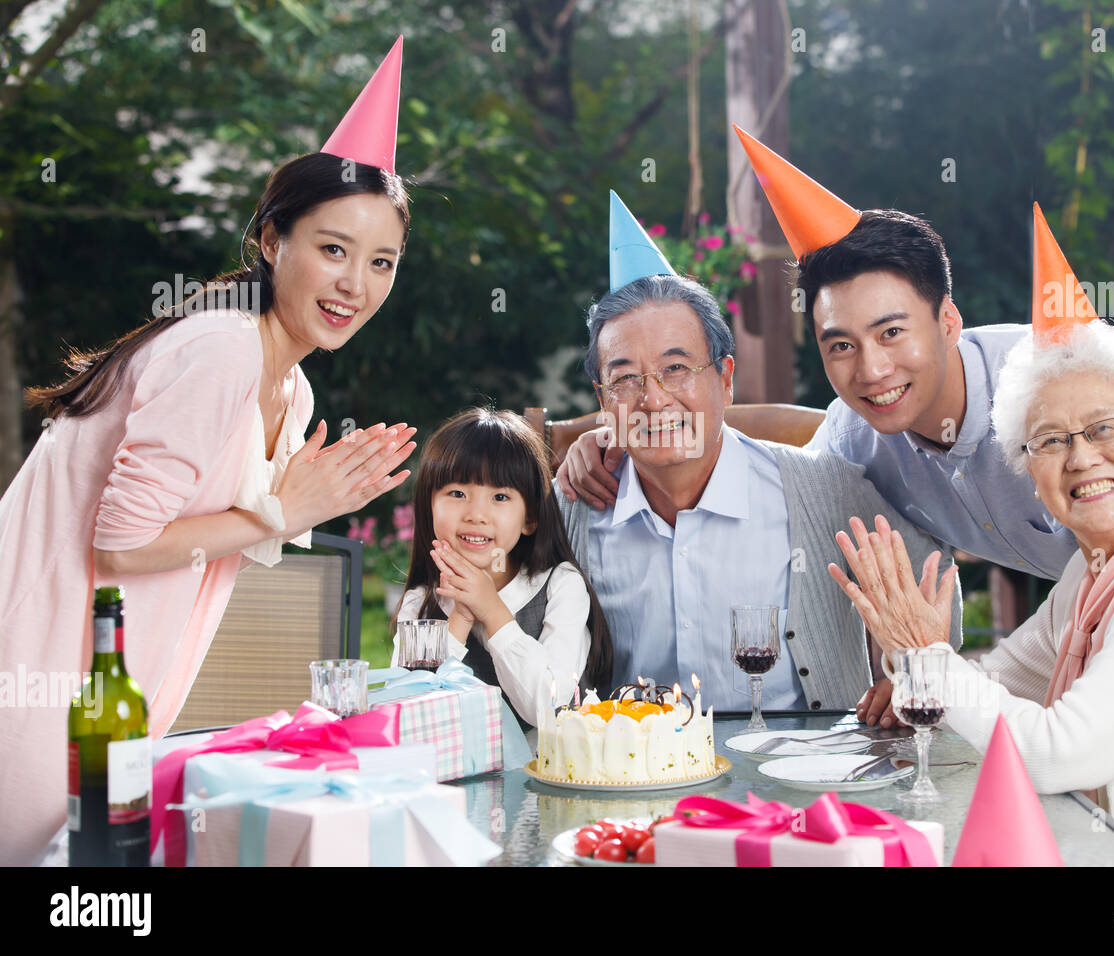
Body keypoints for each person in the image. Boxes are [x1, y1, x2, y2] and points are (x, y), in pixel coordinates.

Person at [559, 135, 1114, 721]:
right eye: (839, 344)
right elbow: (764, 455)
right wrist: (610, 433)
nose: (870, 369)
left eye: (891, 333)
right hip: (1090, 575)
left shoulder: (1049, 383)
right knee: (1062, 745)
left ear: (948, 320)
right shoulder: (854, 435)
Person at [0, 40, 417, 865]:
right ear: (271, 241)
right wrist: (282, 510)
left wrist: (287, 510)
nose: (355, 286)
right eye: (333, 249)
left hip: (122, 679)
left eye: (382, 263)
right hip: (39, 668)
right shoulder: (221, 351)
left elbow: (224, 536)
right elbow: (120, 546)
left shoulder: (290, 391)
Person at [831, 319, 1114, 867]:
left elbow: (1058, 753)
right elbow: (1002, 682)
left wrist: (927, 657)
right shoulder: (1093, 569)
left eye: (1105, 428)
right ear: (1029, 473)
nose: (1080, 458)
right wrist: (921, 672)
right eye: (1051, 440)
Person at [552, 192, 960, 713]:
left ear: (725, 379)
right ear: (603, 400)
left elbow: (932, 581)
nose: (653, 400)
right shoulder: (568, 511)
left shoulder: (826, 492)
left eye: (677, 369)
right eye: (625, 378)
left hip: (798, 775)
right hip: (628, 780)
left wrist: (903, 670)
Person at [393, 408, 613, 727]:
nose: (476, 514)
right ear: (429, 507)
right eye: (457, 493)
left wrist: (492, 611)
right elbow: (412, 715)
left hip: (549, 771)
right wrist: (461, 616)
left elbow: (547, 708)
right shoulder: (421, 602)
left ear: (530, 518)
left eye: (499, 496)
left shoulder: (560, 587)